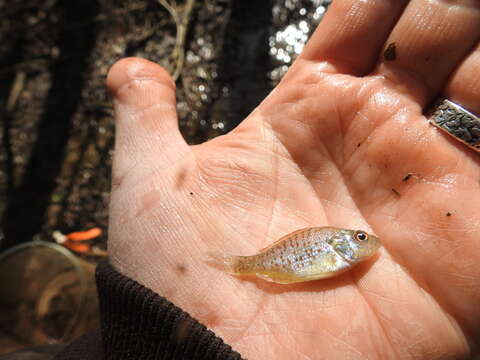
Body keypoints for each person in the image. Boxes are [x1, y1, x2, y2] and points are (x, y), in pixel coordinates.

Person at [53, 0, 480, 358]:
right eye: (362, 240)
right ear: (346, 243)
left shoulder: (338, 247)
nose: (368, 243)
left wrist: (156, 338)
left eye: (363, 239)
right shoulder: (340, 247)